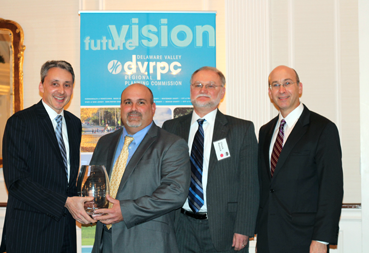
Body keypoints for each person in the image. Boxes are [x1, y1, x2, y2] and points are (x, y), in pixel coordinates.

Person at [0, 60, 95, 253]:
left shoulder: (74, 124)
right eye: (55, 83)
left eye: (67, 85)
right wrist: (65, 202)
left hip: (66, 233)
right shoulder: (20, 122)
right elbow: (17, 182)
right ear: (41, 86)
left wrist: (85, 200)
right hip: (31, 234)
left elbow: (66, 178)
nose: (61, 90)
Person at [162, 66, 259, 252]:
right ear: (190, 89)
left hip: (226, 229)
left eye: (211, 85)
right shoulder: (171, 128)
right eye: (198, 85)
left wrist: (243, 228)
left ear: (222, 92)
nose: (203, 90)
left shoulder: (241, 130)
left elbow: (250, 185)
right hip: (180, 226)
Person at [90, 83, 191, 253]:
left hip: (148, 244)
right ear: (121, 107)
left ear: (153, 108)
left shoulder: (172, 144)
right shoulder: (105, 142)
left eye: (141, 102)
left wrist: (126, 210)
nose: (133, 108)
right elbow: (93, 184)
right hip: (105, 243)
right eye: (128, 102)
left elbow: (175, 192)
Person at [255, 65, 344, 253]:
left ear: (300, 88)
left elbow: (331, 188)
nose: (282, 90)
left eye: (287, 83)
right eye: (275, 85)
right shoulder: (265, 131)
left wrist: (321, 239)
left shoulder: (322, 129)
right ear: (270, 93)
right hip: (268, 238)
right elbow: (266, 187)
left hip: (305, 239)